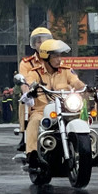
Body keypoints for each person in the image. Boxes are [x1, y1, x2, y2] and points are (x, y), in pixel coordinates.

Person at [19, 39, 85, 171]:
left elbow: (76, 82)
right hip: (42, 110)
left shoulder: (66, 71)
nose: (59, 59)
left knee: (81, 119)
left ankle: (88, 151)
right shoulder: (35, 72)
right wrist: (30, 90)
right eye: (55, 56)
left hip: (65, 109)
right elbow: (29, 83)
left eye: (60, 55)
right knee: (34, 121)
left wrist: (86, 88)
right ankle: (32, 154)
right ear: (46, 57)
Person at [16, 27, 54, 150]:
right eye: (39, 41)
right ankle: (25, 134)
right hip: (37, 98)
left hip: (56, 96)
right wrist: (26, 92)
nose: (42, 44)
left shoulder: (56, 60)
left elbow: (67, 76)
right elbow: (24, 81)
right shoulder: (27, 63)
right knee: (24, 101)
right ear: (34, 44)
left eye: (45, 40)